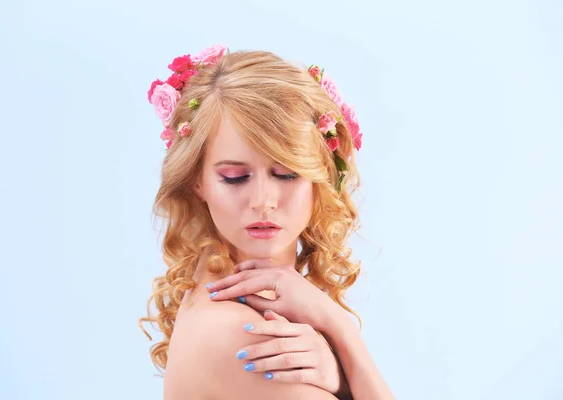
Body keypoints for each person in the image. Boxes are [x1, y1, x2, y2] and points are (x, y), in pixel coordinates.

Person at [139, 44, 394, 400]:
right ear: (198, 180)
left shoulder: (237, 312)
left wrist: (339, 375)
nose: (263, 201)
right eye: (234, 177)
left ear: (318, 177)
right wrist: (344, 335)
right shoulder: (241, 336)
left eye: (286, 174)